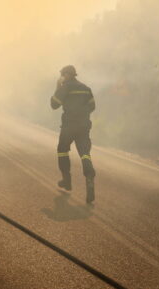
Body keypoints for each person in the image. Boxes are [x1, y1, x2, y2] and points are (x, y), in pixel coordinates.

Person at [51, 65, 96, 204]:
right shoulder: (86, 88)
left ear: (66, 75)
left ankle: (67, 180)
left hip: (69, 126)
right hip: (83, 126)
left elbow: (54, 104)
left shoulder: (65, 87)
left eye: (62, 75)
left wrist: (58, 86)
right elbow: (92, 106)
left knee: (62, 150)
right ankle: (89, 176)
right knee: (84, 153)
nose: (62, 78)